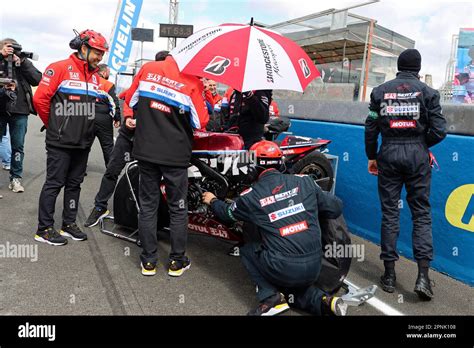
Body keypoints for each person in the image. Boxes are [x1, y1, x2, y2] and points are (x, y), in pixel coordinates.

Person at [202, 140, 347, 316]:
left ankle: (271, 298)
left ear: (253, 168)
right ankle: (324, 301)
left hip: (283, 267)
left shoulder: (250, 197)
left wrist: (212, 200)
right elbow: (336, 207)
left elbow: (227, 214)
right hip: (315, 266)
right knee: (292, 289)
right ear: (281, 163)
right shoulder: (305, 182)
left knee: (247, 250)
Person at [364, 48, 447, 300]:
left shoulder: (379, 91)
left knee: (390, 213)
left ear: (399, 66)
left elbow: (370, 126)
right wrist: (421, 144)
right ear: (418, 68)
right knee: (421, 214)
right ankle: (423, 277)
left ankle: (389, 275)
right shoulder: (430, 93)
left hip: (387, 153)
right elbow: (440, 130)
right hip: (417, 157)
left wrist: (372, 156)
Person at [125, 54, 208, 277]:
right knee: (178, 208)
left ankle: (149, 261)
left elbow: (130, 100)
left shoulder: (148, 68)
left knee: (148, 205)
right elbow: (201, 122)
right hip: (175, 155)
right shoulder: (192, 80)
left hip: (146, 151)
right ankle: (176, 262)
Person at [33, 29, 109, 246]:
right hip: (60, 140)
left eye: (102, 54)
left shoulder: (94, 77)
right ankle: (44, 228)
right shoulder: (58, 68)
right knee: (54, 183)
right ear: (83, 48)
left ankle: (68, 223)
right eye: (97, 52)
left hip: (83, 141)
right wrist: (54, 125)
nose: (100, 58)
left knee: (74, 184)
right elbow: (40, 100)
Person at [84, 51, 170, 228]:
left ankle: (150, 217)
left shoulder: (173, 88)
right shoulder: (146, 75)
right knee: (112, 170)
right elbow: (128, 98)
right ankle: (100, 206)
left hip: (151, 140)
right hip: (128, 135)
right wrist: (129, 117)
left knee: (149, 177)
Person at [0, 38, 42, 193]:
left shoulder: (22, 62)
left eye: (14, 49)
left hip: (19, 110)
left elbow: (38, 79)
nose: (11, 52)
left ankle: (15, 178)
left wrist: (22, 62)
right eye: (8, 48)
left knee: (18, 147)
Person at [93, 63, 121, 166]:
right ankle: (110, 171)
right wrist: (117, 118)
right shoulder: (108, 84)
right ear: (104, 73)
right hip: (103, 118)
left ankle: (78, 171)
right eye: (108, 72)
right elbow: (114, 102)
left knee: (83, 145)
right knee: (108, 146)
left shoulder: (87, 81)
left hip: (86, 116)